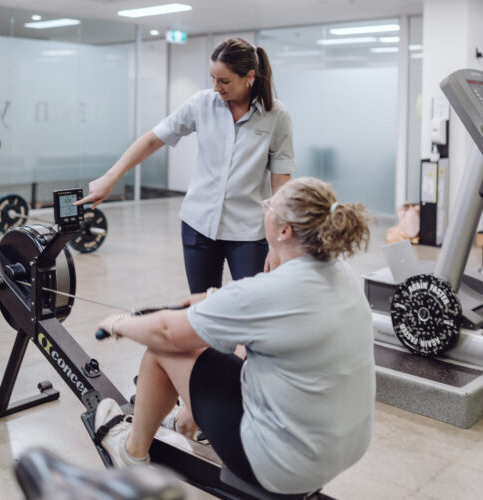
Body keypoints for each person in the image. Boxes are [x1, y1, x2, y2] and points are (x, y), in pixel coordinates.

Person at [93, 177, 376, 495]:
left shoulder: (269, 292)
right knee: (231, 350)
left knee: (164, 352)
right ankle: (189, 418)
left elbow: (167, 333)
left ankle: (130, 454)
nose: (265, 209)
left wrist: (119, 323)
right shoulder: (342, 273)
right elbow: (262, 327)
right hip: (344, 446)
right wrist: (217, 301)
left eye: (270, 206)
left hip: (282, 467)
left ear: (284, 231)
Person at [76, 37, 296, 292]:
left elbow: (281, 182)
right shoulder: (201, 103)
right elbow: (152, 140)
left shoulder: (276, 115)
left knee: (252, 308)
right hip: (198, 225)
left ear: (249, 76)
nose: (216, 88)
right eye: (212, 78)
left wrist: (279, 245)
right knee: (200, 306)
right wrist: (110, 178)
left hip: (250, 231)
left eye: (224, 81)